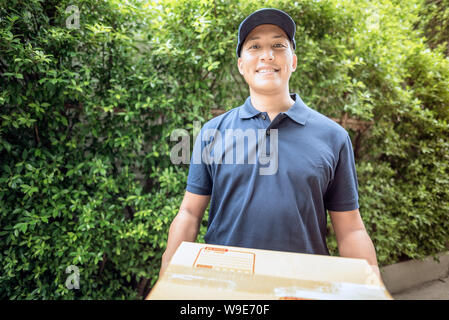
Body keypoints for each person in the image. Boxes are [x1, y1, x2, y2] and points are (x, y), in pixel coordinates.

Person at [159, 8, 382, 281]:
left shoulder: (333, 137)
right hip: (224, 285)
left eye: (278, 45)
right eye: (254, 46)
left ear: (293, 61)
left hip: (304, 287)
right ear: (241, 65)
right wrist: (166, 276)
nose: (267, 55)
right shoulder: (212, 133)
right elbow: (190, 214)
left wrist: (373, 286)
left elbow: (351, 230)